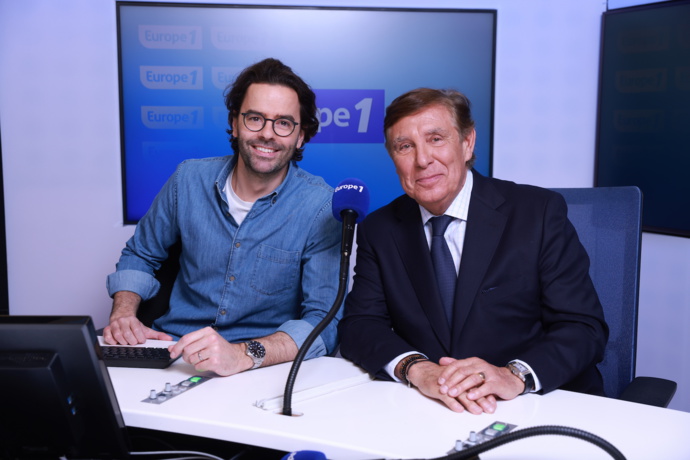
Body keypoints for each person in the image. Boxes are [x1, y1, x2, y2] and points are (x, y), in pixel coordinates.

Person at [338, 88, 609, 414]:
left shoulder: (538, 213)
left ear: (467, 143)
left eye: (436, 139)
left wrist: (514, 375)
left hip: (534, 405)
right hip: (433, 409)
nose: (422, 160)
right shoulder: (379, 229)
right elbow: (360, 325)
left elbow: (583, 328)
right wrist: (417, 368)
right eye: (405, 146)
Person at [104, 58, 342, 377]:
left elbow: (323, 321)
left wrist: (243, 354)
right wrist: (124, 313)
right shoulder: (187, 180)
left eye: (284, 123)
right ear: (235, 123)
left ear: (301, 136)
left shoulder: (321, 207)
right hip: (174, 351)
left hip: (257, 367)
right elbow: (140, 254)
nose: (267, 134)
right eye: (255, 118)